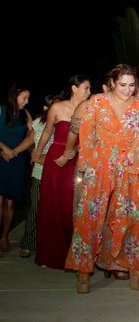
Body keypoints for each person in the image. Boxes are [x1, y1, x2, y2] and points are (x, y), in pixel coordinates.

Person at [59, 64, 139, 293]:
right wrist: (85, 166)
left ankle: (134, 274)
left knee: (134, 219)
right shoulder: (96, 103)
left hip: (129, 168)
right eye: (123, 84)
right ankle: (83, 274)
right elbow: (86, 134)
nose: (128, 89)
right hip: (100, 168)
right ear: (112, 82)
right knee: (90, 220)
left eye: (132, 85)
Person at [33, 75, 91, 269]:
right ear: (74, 88)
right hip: (56, 159)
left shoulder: (90, 109)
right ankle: (50, 254)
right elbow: (47, 131)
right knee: (52, 204)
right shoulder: (57, 108)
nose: (88, 92)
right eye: (86, 88)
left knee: (73, 204)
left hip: (79, 158)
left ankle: (73, 254)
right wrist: (37, 154)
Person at [20, 94, 56, 258]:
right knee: (34, 209)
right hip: (38, 174)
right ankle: (28, 243)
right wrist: (19, 152)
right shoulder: (38, 123)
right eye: (52, 106)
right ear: (45, 108)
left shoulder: (64, 125)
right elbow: (29, 141)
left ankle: (49, 243)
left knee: (53, 213)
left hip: (56, 174)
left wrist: (45, 157)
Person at [0, 83, 34, 254]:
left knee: (10, 203)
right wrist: (4, 149)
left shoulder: (25, 115)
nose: (26, 102)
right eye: (24, 98)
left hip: (16, 161)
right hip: (0, 158)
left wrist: (14, 151)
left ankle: (5, 235)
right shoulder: (0, 110)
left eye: (28, 98)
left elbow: (32, 136)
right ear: (14, 96)